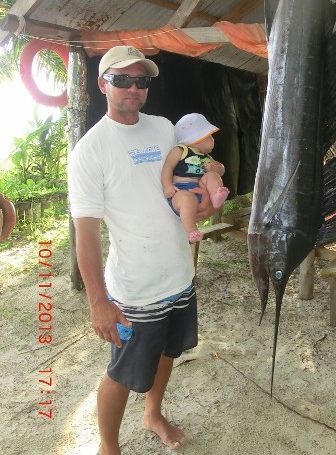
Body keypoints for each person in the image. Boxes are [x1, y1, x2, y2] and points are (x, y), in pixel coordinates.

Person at [68, 45, 216, 454]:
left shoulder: (165, 128)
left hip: (178, 273)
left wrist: (201, 205)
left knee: (168, 351)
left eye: (142, 80)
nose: (133, 87)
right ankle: (108, 446)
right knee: (122, 371)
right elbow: (87, 234)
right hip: (136, 287)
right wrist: (98, 302)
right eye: (122, 79)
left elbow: (185, 183)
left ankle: (152, 413)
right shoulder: (90, 151)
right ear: (103, 84)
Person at [162, 113, 230, 243]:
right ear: (198, 138)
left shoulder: (205, 157)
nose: (212, 139)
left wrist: (214, 168)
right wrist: (167, 186)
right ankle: (192, 231)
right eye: (209, 136)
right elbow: (168, 166)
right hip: (181, 191)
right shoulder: (181, 150)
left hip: (201, 188)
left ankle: (216, 197)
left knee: (213, 175)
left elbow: (222, 169)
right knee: (187, 200)